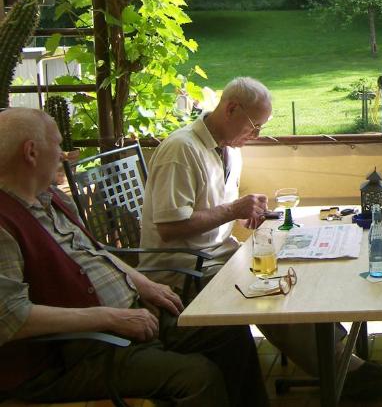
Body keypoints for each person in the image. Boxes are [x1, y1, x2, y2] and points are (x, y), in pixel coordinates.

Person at [140, 76, 382, 400]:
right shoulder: (181, 150)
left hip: (218, 257)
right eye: (254, 125)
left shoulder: (228, 150)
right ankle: (343, 373)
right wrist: (233, 210)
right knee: (276, 285)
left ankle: (343, 362)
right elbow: (169, 227)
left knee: (300, 265)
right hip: (183, 273)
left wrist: (246, 213)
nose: (257, 135)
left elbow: (213, 213)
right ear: (231, 108)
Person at [0, 108, 267, 406]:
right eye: (58, 144)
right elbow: (10, 317)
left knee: (228, 333)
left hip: (128, 318)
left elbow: (97, 252)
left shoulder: (50, 200)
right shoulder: (4, 223)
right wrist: (111, 317)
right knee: (197, 377)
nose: (64, 154)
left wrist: (143, 284)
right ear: (32, 152)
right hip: (71, 355)